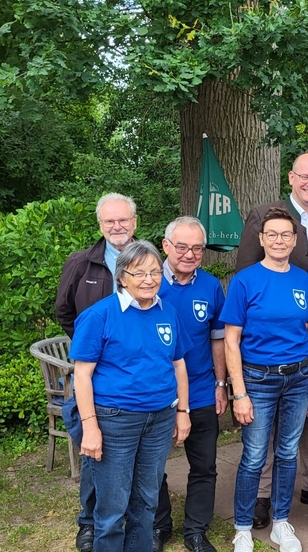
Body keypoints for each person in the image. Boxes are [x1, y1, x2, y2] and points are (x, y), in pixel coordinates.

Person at [234, 152, 308, 529]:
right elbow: (247, 270)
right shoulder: (266, 215)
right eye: (305, 177)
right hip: (269, 337)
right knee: (262, 436)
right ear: (291, 178)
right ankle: (263, 496)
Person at [70, 241, 193, 551]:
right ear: (121, 276)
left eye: (155, 272)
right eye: (140, 273)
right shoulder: (99, 316)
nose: (149, 279)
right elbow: (82, 375)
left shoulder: (169, 312)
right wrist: (90, 427)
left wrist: (183, 412)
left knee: (147, 501)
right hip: (115, 421)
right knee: (112, 508)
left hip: (160, 419)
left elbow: (178, 365)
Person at [224, 207, 308, 552]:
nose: (279, 240)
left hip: (298, 378)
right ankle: (243, 527)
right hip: (257, 380)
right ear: (261, 240)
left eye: (286, 235)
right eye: (272, 235)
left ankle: (281, 522)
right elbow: (231, 340)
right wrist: (239, 393)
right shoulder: (245, 281)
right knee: (253, 455)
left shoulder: (304, 281)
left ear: (295, 241)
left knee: (288, 452)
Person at [54, 192, 138, 552]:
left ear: (135, 222)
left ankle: (137, 519)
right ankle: (89, 523)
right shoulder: (81, 263)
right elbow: (63, 312)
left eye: (123, 220)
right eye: (110, 221)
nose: (117, 227)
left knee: (139, 452)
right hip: (94, 378)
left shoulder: (149, 260)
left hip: (135, 378)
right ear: (100, 225)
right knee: (95, 450)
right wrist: (92, 348)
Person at [152, 217, 227, 552]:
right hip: (156, 394)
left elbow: (218, 339)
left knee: (205, 466)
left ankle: (196, 531)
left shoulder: (211, 286)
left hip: (200, 391)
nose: (189, 253)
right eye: (181, 246)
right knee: (152, 466)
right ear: (166, 246)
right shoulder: (149, 283)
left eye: (197, 247)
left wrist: (221, 383)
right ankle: (158, 525)